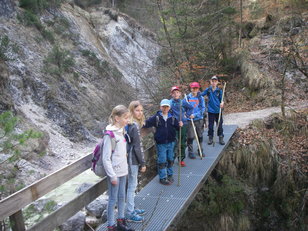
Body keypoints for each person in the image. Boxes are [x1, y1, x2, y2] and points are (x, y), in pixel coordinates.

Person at [102, 105, 134, 231]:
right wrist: (112, 175)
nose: (127, 120)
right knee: (113, 199)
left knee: (122, 196)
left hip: (123, 171)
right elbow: (106, 158)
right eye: (125, 118)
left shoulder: (122, 131)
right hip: (115, 173)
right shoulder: (109, 135)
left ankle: (121, 221)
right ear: (117, 118)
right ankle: (111, 225)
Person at [143, 99, 182, 185]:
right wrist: (137, 122)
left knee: (170, 159)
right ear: (160, 107)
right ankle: (163, 177)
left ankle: (170, 174)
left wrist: (180, 125)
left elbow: (177, 128)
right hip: (161, 144)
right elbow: (146, 123)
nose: (165, 108)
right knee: (162, 160)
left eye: (166, 107)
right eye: (163, 106)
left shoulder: (172, 118)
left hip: (171, 142)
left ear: (169, 107)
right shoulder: (156, 118)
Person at [125, 101, 146, 223]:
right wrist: (142, 163)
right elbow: (138, 146)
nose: (140, 113)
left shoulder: (129, 124)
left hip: (128, 158)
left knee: (131, 186)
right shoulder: (134, 126)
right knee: (132, 186)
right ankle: (130, 213)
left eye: (141, 110)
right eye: (137, 110)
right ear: (132, 111)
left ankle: (131, 208)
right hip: (132, 159)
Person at [170, 86, 193, 167]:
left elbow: (191, 107)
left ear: (179, 93)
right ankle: (171, 159)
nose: (175, 94)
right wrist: (173, 120)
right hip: (174, 126)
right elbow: (167, 112)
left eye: (177, 92)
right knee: (174, 143)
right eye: (174, 93)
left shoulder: (183, 102)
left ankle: (181, 159)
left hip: (183, 125)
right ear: (171, 94)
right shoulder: (170, 103)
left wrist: (187, 115)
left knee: (182, 143)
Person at [201, 76, 225, 145]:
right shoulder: (208, 90)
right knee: (210, 125)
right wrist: (194, 95)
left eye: (215, 81)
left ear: (217, 82)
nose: (214, 82)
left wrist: (222, 103)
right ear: (210, 82)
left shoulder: (219, 91)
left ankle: (221, 137)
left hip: (218, 111)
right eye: (212, 81)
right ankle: (210, 137)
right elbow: (201, 95)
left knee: (219, 125)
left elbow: (222, 100)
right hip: (211, 111)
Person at [186, 82, 206, 158]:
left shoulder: (201, 98)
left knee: (200, 135)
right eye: (193, 88)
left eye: (196, 88)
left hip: (198, 119)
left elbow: (203, 109)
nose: (195, 89)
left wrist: (195, 115)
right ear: (191, 89)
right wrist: (188, 115)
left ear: (198, 89)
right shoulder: (187, 98)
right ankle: (190, 152)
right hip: (189, 120)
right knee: (190, 136)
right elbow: (184, 108)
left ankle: (200, 149)